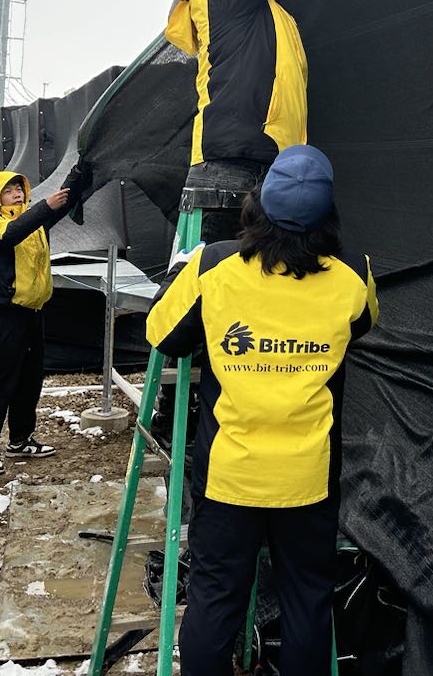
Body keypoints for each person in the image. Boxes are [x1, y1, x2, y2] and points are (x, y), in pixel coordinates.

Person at [146, 144, 378, 676]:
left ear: (259, 204)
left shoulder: (213, 266)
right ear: (328, 215)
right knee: (307, 601)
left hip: (231, 474)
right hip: (307, 479)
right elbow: (363, 324)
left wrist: (177, 276)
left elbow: (164, 334)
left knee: (215, 598)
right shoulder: (351, 280)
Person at [155, 0, 324, 439]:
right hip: (235, 170)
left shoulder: (239, 7)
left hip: (236, 165)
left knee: (232, 307)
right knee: (237, 309)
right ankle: (216, 441)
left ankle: (214, 429)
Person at [0, 166, 87, 474]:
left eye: (19, 189)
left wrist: (80, 171)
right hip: (9, 315)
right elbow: (13, 233)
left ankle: (20, 439)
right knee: (1, 380)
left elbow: (60, 203)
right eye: (9, 191)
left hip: (35, 312)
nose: (17, 194)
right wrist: (42, 208)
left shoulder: (35, 221)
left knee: (30, 379)